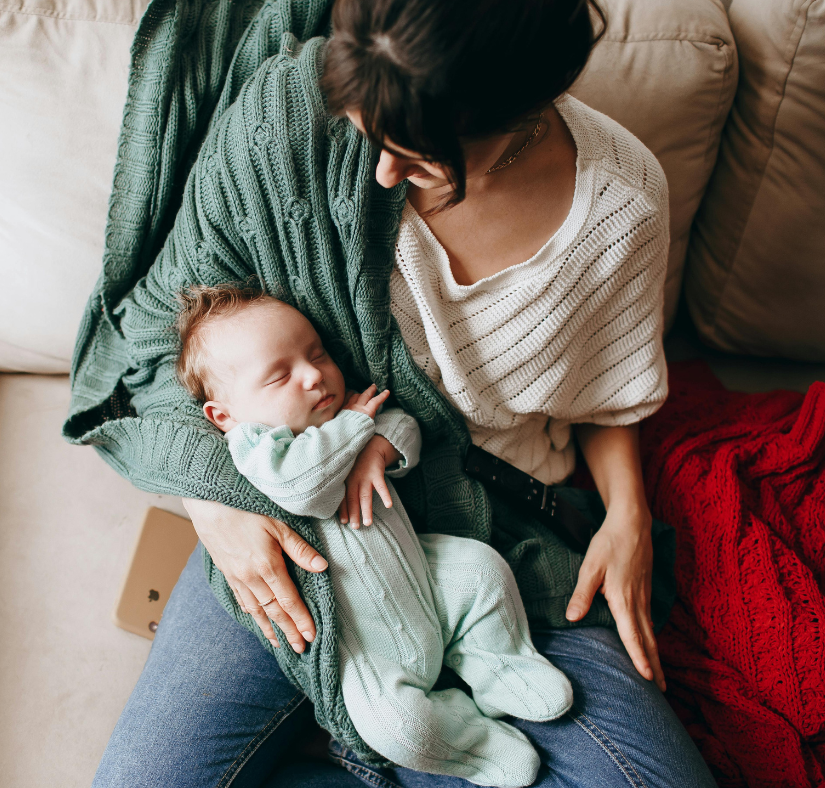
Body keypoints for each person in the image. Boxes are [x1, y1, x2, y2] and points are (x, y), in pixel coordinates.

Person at [87, 0, 719, 784]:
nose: (382, 172)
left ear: (520, 105)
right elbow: (153, 340)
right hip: (291, 528)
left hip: (501, 538)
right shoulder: (289, 116)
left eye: (417, 154)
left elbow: (605, 393)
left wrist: (627, 517)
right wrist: (217, 510)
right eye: (367, 130)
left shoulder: (621, 206)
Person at [174, 284, 573, 785]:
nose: (315, 375)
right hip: (365, 644)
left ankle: (500, 665)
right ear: (225, 415)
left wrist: (379, 446)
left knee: (481, 570)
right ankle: (474, 745)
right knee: (396, 726)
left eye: (317, 353)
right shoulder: (255, 447)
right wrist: (356, 427)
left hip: (424, 577)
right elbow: (301, 487)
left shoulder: (348, 418)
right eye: (280, 375)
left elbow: (405, 424)